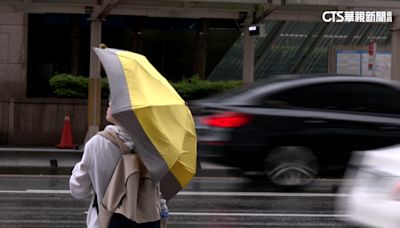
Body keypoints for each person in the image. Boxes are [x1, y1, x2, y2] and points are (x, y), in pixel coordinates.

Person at [69, 102, 161, 228]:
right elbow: (155, 192)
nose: (109, 103)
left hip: (103, 222)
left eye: (114, 101)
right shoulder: (151, 147)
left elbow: (78, 190)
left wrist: (80, 166)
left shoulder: (97, 144)